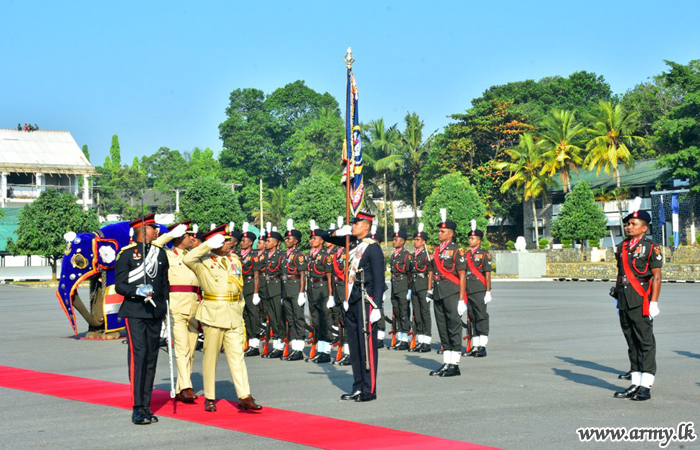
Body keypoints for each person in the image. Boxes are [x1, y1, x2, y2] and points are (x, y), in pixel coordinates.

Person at [183, 224, 262, 412]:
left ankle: (245, 395)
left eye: (229, 241)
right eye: (224, 241)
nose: (230, 244)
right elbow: (187, 258)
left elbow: (239, 287)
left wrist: (240, 308)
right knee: (211, 357)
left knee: (237, 357)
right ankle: (209, 397)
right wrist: (207, 245)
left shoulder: (234, 259)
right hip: (214, 314)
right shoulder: (202, 261)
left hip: (233, 312)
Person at [323, 211, 385, 402]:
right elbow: (324, 235)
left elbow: (379, 280)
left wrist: (377, 307)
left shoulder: (372, 248)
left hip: (367, 302)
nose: (354, 226)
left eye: (357, 224)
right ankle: (358, 386)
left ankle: (369, 389)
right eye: (353, 224)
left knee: (367, 348)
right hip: (352, 301)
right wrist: (340, 231)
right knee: (356, 347)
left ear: (366, 226)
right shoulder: (353, 244)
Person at [114, 212, 170, 425]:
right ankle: (137, 407)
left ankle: (146, 404)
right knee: (139, 357)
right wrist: (137, 291)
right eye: (153, 227)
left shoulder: (161, 254)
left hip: (154, 313)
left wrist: (164, 310)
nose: (157, 231)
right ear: (143, 230)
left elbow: (165, 286)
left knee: (151, 359)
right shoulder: (126, 254)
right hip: (135, 311)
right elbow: (120, 285)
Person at [612, 206, 662, 401]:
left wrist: (654, 303)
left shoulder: (651, 247)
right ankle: (635, 381)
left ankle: (646, 385)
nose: (628, 227)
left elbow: (656, 277)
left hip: (641, 300)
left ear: (644, 228)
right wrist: (617, 297)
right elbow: (620, 274)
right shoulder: (623, 246)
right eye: (627, 224)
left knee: (645, 342)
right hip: (624, 300)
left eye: (633, 224)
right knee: (631, 342)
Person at [153, 221, 201, 403]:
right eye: (189, 235)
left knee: (191, 349)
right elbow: (153, 246)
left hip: (194, 303)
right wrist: (170, 235)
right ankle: (187, 387)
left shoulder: (193, 255)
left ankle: (182, 387)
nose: (192, 238)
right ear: (181, 237)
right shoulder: (167, 254)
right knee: (181, 347)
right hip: (176, 304)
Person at [429, 209, 467, 377]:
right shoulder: (436, 251)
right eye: (439, 230)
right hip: (438, 291)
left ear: (450, 234)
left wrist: (461, 299)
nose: (439, 233)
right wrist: (430, 290)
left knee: (453, 326)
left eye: (442, 231)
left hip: (451, 291)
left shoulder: (457, 250)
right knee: (442, 327)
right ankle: (447, 362)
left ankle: (455, 364)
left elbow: (462, 275)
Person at [306, 221, 334, 363]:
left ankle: (327, 351)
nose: (312, 240)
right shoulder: (310, 255)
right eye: (311, 238)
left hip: (322, 288)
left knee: (325, 319)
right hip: (312, 289)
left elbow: (329, 276)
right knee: (316, 320)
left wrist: (330, 295)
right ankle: (321, 349)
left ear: (322, 240)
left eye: (315, 238)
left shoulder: (325, 255)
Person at [463, 220, 492, 358]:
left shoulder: (484, 254)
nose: (470, 240)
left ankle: (482, 345)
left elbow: (487, 273)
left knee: (481, 316)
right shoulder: (467, 254)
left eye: (472, 238)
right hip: (469, 290)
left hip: (479, 289)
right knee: (472, 316)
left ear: (479, 240)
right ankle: (475, 345)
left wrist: (488, 291)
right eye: (469, 238)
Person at [281, 220, 307, 361]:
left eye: (289, 238)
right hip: (286, 289)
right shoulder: (286, 255)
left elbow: (302, 274)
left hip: (296, 288)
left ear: (296, 241)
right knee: (290, 319)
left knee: (298, 318)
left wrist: (302, 292)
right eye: (285, 238)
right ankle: (295, 346)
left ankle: (299, 348)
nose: (286, 240)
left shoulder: (299, 255)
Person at [262, 225, 286, 358]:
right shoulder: (264, 255)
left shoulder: (281, 255)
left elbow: (284, 274)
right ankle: (276, 343)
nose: (267, 242)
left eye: (269, 240)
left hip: (277, 288)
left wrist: (284, 293)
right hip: (267, 288)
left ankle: (280, 344)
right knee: (271, 317)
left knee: (279, 317)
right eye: (266, 240)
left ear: (276, 242)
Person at [240, 223, 263, 356]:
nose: (241, 243)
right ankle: (249, 341)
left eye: (244, 241)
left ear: (250, 243)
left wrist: (255, 293)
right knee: (246, 315)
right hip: (242, 286)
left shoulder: (254, 255)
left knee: (253, 315)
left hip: (250, 286)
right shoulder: (240, 255)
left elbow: (256, 276)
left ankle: (255, 344)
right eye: (242, 241)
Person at [409, 223, 432, 353]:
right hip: (414, 286)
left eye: (418, 240)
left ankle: (427, 341)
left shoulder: (426, 255)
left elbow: (430, 273)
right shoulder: (414, 255)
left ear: (423, 242)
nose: (415, 242)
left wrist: (429, 290)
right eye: (414, 239)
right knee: (417, 313)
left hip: (423, 286)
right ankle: (420, 339)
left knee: (425, 313)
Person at [389, 223, 412, 350]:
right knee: (397, 311)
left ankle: (405, 339)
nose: (394, 241)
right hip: (395, 286)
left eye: (396, 239)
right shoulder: (394, 255)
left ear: (402, 242)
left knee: (404, 312)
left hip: (403, 286)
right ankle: (400, 336)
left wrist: (409, 289)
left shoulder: (406, 255)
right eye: (393, 239)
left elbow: (409, 273)